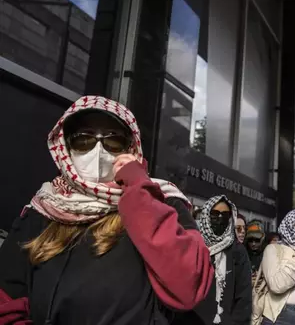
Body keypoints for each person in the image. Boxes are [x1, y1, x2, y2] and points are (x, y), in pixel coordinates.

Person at [0, 96, 214, 324]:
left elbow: (188, 286)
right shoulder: (42, 210)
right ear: (67, 147)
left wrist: (137, 189)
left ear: (130, 148)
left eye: (113, 141)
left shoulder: (162, 201)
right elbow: (6, 300)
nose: (98, 150)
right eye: (84, 139)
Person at [176, 195, 252, 325]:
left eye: (225, 214)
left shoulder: (237, 251)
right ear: (206, 216)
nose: (220, 218)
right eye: (215, 214)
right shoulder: (194, 246)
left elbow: (243, 298)